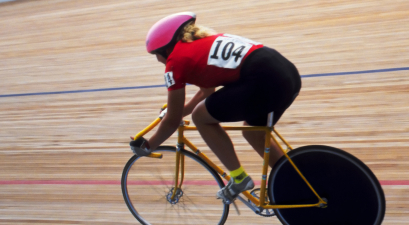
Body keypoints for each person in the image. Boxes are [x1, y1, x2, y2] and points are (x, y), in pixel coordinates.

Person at [129, 12, 301, 204]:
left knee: (201, 117)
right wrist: (181, 110)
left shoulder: (175, 61)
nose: (158, 61)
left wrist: (148, 146)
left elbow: (172, 120)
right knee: (253, 133)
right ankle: (296, 181)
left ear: (165, 50)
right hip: (286, 75)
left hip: (263, 80)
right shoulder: (202, 43)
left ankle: (239, 179)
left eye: (156, 55)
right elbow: (207, 91)